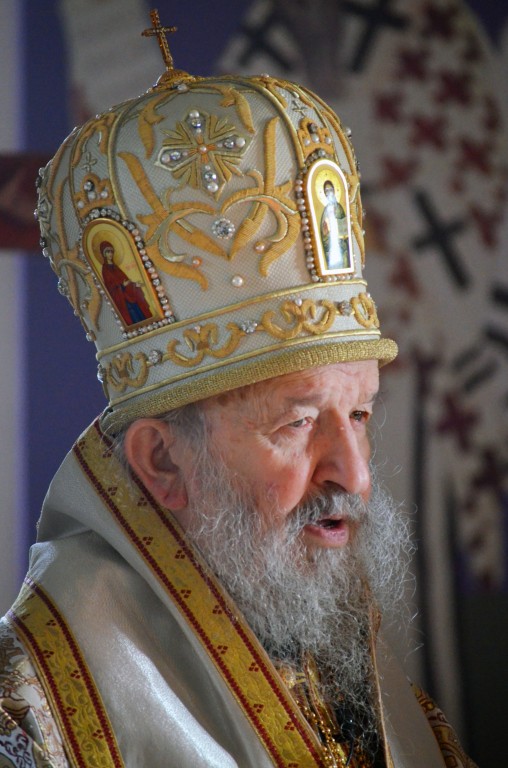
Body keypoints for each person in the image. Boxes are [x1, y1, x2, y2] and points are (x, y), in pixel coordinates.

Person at [0, 15, 477, 768]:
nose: (354, 475)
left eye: (359, 413)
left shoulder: (326, 641)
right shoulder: (36, 712)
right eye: (297, 425)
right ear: (162, 463)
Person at [320, 179, 349, 270]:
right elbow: (323, 228)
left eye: (330, 190)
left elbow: (344, 221)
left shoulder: (339, 208)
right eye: (326, 190)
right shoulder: (325, 210)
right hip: (330, 241)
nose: (329, 192)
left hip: (341, 241)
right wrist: (325, 233)